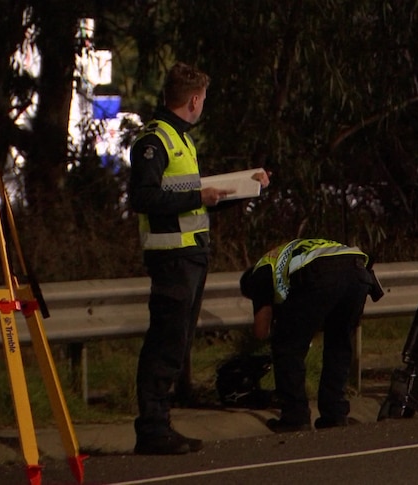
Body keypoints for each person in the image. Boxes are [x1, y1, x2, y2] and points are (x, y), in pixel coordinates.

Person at [129, 61, 270, 455]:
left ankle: (160, 425)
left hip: (190, 256)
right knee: (166, 343)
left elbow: (193, 203)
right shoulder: (154, 141)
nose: (203, 105)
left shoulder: (182, 140)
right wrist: (199, 197)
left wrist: (244, 189)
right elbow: (143, 197)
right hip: (172, 258)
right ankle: (152, 429)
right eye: (203, 99)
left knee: (177, 342)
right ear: (193, 100)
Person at [239, 239, 383, 432]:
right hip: (358, 271)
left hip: (323, 272)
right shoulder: (289, 254)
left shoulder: (261, 272)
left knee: (286, 347)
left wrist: (277, 319)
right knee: (339, 345)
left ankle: (295, 416)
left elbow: (260, 331)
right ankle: (335, 414)